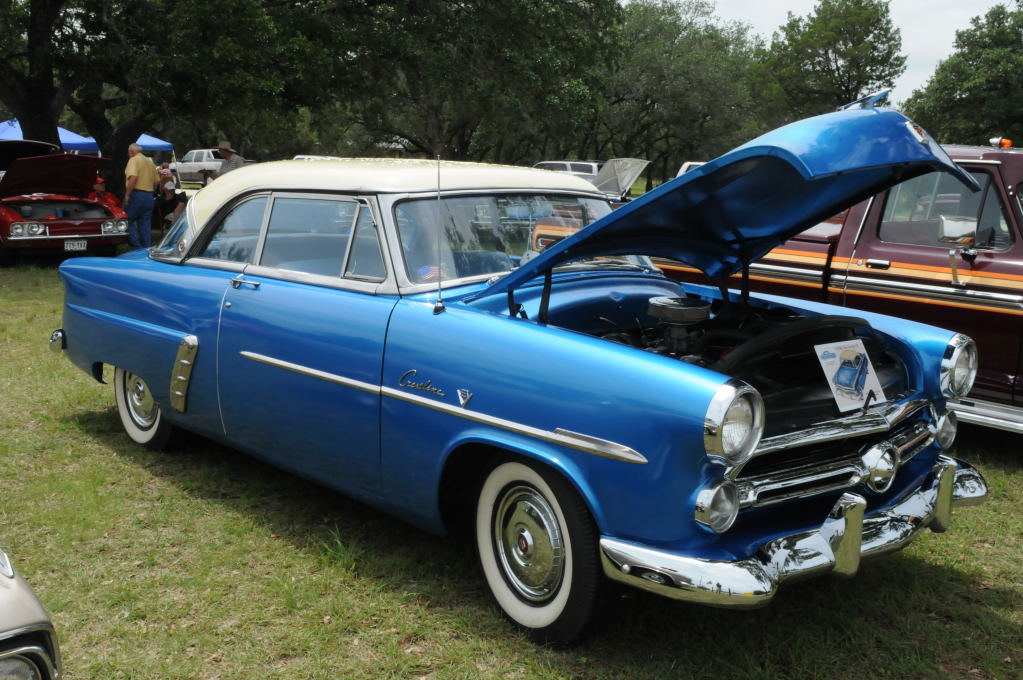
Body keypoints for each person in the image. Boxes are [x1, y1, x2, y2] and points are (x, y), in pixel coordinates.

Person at [123, 143, 158, 248]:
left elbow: (133, 177)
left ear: (132, 152)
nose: (128, 155)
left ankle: (137, 248)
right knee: (145, 224)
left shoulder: (134, 160)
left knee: (125, 220)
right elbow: (156, 182)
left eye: (128, 152)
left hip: (137, 194)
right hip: (149, 196)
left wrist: (127, 194)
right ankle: (146, 249)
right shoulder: (150, 162)